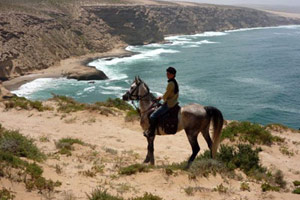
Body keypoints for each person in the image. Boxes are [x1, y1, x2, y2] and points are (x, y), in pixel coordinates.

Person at [144, 66, 179, 138]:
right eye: (167, 73)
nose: (167, 75)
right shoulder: (175, 82)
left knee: (152, 116)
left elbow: (166, 95)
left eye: (168, 74)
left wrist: (161, 98)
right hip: (174, 102)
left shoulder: (170, 84)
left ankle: (151, 132)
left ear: (172, 75)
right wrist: (162, 97)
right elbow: (169, 93)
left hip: (169, 104)